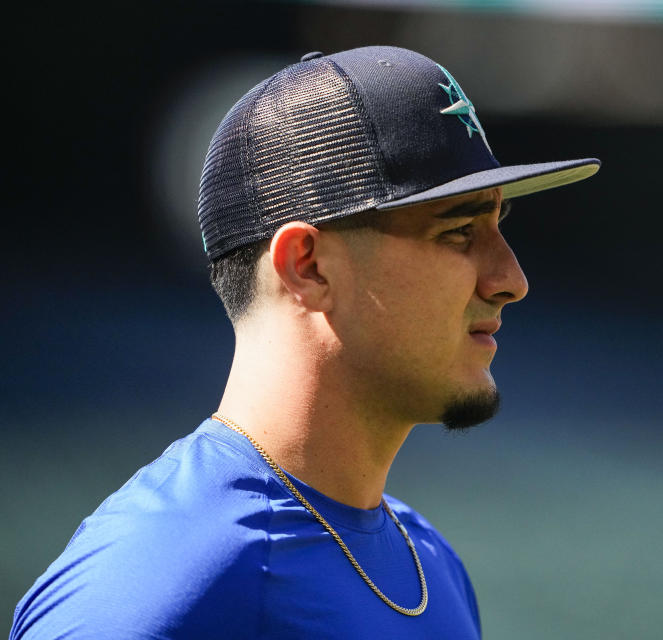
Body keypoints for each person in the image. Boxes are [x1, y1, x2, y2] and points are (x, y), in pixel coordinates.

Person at [10, 46, 599, 639]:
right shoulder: (164, 577)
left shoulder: (430, 564)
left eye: (500, 227)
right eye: (458, 232)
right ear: (309, 266)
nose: (511, 280)